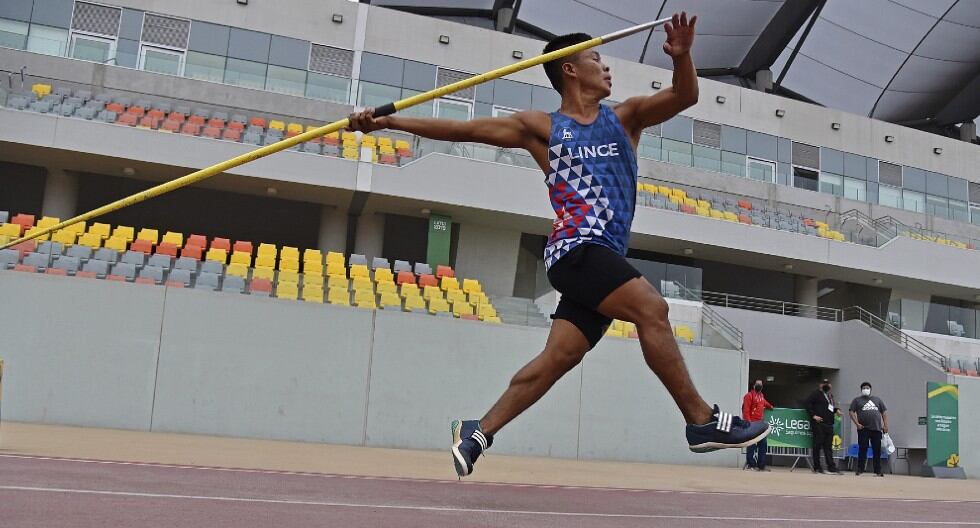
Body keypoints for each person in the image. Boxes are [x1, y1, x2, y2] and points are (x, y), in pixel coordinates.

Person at [347, 12, 769, 478]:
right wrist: (389, 122)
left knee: (559, 357)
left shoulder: (625, 118)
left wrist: (683, 56)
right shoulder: (543, 128)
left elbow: (685, 94)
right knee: (654, 310)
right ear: (570, 69)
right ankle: (700, 420)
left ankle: (477, 431)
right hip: (575, 250)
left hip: (602, 257)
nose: (606, 68)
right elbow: (464, 130)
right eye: (596, 58)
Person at [849, 382, 888, 477]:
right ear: (861, 390)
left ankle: (878, 470)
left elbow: (884, 412)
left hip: (876, 429)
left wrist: (885, 425)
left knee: (877, 450)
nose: (866, 389)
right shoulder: (857, 400)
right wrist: (857, 424)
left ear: (870, 389)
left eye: (867, 388)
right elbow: (851, 412)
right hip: (863, 429)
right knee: (862, 449)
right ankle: (860, 469)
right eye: (864, 388)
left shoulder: (877, 400)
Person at [804, 379, 842, 475]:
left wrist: (836, 410)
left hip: (829, 424)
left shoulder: (830, 396)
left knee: (828, 447)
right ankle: (817, 467)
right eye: (824, 383)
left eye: (828, 383)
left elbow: (830, 407)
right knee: (817, 445)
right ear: (820, 385)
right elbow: (807, 404)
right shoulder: (815, 394)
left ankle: (831, 467)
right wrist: (813, 416)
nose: (826, 385)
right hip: (819, 424)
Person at [742, 379, 774, 471]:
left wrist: (770, 406)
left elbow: (764, 402)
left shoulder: (761, 396)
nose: (759, 386)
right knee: (751, 444)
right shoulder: (748, 396)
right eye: (758, 384)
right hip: (752, 424)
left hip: (760, 424)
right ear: (754, 386)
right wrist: (748, 423)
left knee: (763, 444)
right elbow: (746, 410)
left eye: (761, 384)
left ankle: (761, 465)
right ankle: (751, 464)